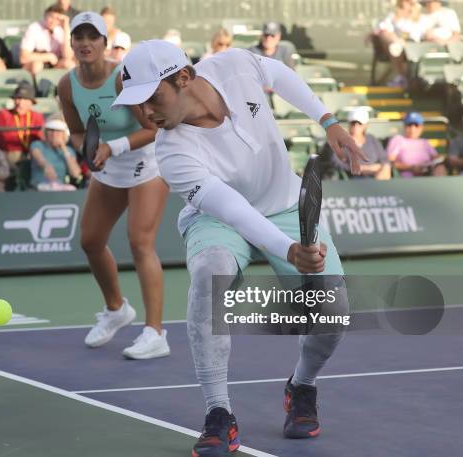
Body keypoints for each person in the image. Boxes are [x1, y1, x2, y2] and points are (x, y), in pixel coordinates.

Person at [112, 40, 365, 454]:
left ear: (184, 78)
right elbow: (232, 210)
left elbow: (279, 75)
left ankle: (301, 386)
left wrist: (328, 119)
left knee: (333, 315)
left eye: (153, 99)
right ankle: (219, 413)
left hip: (283, 204)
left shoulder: (233, 65)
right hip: (218, 220)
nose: (146, 114)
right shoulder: (172, 151)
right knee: (210, 273)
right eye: (138, 105)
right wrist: (288, 250)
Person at [58, 13, 170, 359]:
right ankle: (117, 308)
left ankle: (155, 333)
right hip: (107, 168)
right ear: (72, 43)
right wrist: (88, 149)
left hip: (146, 164)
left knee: (140, 242)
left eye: (94, 37)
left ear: (105, 43)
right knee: (90, 241)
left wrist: (113, 147)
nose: (86, 43)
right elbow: (77, 130)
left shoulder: (123, 78)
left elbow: (154, 128)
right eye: (79, 37)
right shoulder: (66, 85)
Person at [330, 108, 391, 179]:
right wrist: (360, 168)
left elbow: (384, 158)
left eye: (359, 123)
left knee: (386, 169)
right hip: (354, 179)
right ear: (349, 124)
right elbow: (336, 162)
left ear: (366, 125)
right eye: (353, 123)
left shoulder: (371, 139)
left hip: (376, 175)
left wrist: (383, 167)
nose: (356, 126)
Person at [0, 82, 44, 166]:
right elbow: (2, 140)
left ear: (31, 102)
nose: (20, 103)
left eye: (25, 99)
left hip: (33, 154)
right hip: (9, 154)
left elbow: (39, 139)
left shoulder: (37, 116)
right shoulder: (3, 114)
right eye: (18, 98)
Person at [375, 0, 423, 88]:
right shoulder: (392, 16)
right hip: (398, 46)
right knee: (394, 47)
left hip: (416, 46)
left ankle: (406, 78)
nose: (405, 4)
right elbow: (384, 29)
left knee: (396, 48)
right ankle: (402, 78)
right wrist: (397, 40)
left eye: (409, 2)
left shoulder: (421, 17)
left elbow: (420, 34)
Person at [387, 111, 447, 177]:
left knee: (440, 168)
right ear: (404, 126)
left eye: (416, 125)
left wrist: (427, 167)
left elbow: (437, 159)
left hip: (427, 176)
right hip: (406, 179)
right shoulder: (398, 139)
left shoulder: (425, 142)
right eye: (409, 125)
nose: (412, 129)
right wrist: (412, 167)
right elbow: (390, 162)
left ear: (421, 128)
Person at [20, 3, 74, 74]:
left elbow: (68, 56)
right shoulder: (34, 28)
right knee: (37, 65)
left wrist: (66, 28)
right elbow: (23, 57)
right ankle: (37, 85)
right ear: (45, 15)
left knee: (69, 64)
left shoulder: (61, 30)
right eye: (51, 17)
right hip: (35, 65)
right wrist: (47, 57)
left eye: (57, 18)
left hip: (55, 66)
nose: (53, 21)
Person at [29, 116, 81, 190]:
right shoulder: (37, 145)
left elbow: (75, 173)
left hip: (59, 188)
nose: (54, 134)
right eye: (51, 130)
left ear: (64, 133)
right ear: (46, 132)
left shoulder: (68, 150)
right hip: (39, 187)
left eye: (58, 131)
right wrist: (46, 166)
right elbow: (38, 157)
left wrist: (64, 148)